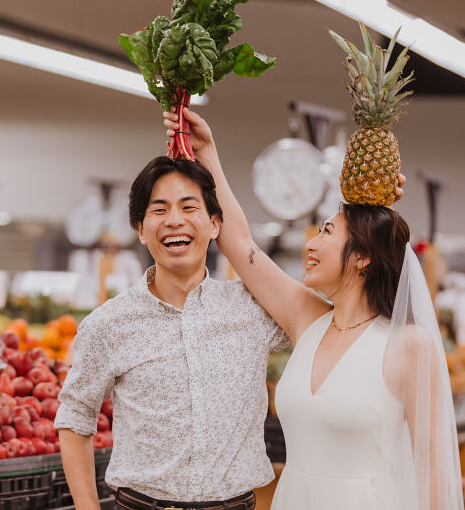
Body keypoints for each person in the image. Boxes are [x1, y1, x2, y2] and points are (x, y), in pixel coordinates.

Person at [163, 109, 463, 510]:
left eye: (326, 232)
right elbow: (241, 246)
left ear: (363, 257)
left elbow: (431, 460)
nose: (310, 244)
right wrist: (208, 153)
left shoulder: (409, 345)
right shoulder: (309, 320)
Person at [55, 156, 291, 510]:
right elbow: (75, 416)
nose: (174, 220)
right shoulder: (108, 324)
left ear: (215, 224)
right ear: (140, 229)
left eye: (189, 207)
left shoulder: (255, 310)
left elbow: (320, 316)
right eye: (159, 209)